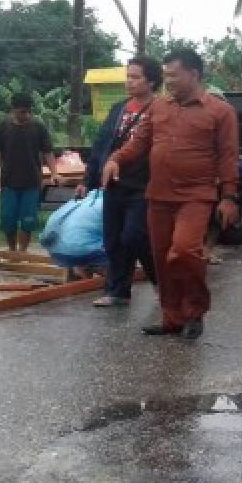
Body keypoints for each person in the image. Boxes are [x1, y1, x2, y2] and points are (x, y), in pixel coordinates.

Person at [102, 49, 240, 340]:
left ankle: (195, 311)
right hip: (159, 195)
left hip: (196, 195)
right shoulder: (159, 107)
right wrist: (116, 158)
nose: (168, 81)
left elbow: (228, 156)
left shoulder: (220, 111)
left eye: (173, 75)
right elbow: (139, 142)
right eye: (165, 76)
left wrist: (229, 196)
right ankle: (172, 318)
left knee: (185, 249)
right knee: (163, 257)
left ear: (194, 75)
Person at [77, 56, 161, 304]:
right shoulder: (119, 109)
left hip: (145, 185)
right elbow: (102, 144)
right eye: (128, 76)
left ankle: (160, 281)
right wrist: (88, 178)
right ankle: (118, 292)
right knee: (112, 239)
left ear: (152, 81)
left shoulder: (161, 109)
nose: (129, 82)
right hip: (114, 182)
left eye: (135, 77)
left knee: (135, 235)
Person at [0, 93, 60, 252]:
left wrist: (54, 172)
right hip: (9, 182)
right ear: (13, 110)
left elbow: (48, 152)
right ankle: (12, 250)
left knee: (28, 221)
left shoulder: (38, 127)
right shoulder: (2, 127)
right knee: (8, 220)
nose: (27, 115)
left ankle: (23, 252)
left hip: (32, 182)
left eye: (29, 111)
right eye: (22, 112)